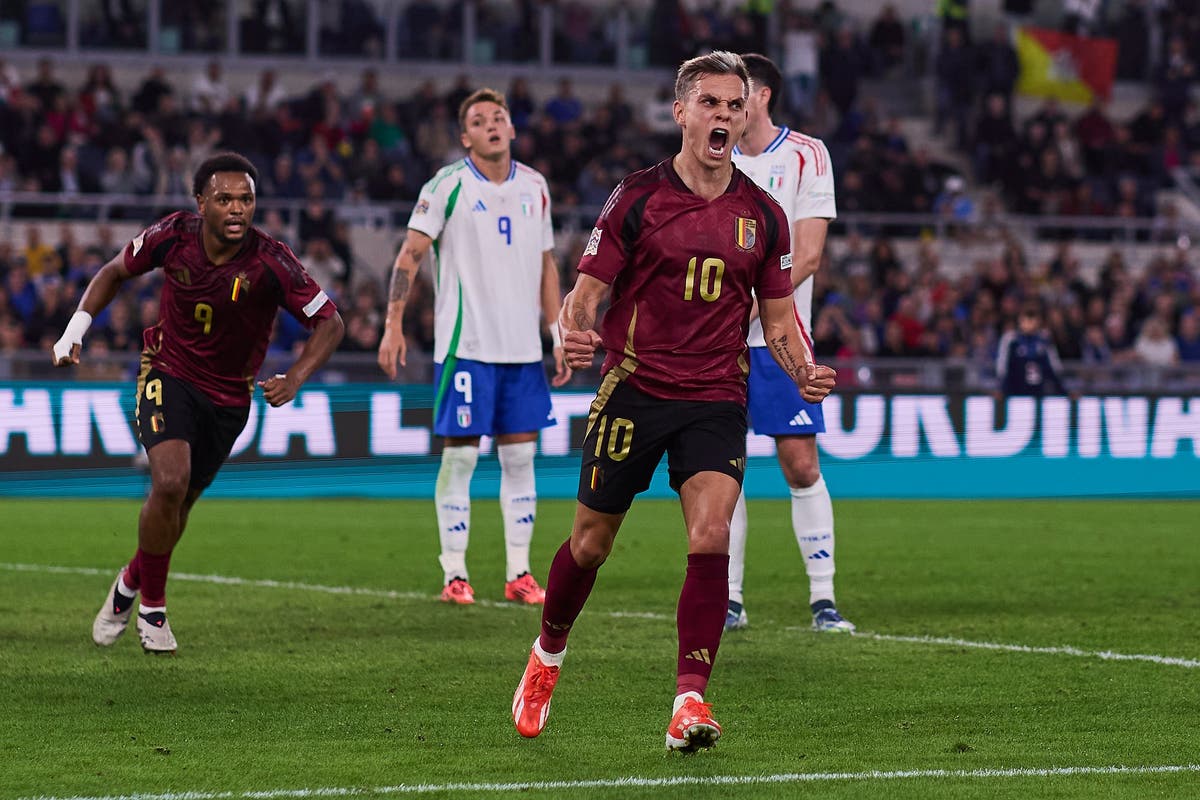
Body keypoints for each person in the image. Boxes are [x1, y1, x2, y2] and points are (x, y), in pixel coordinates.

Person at [510, 51, 836, 752]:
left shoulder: (765, 215)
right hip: (634, 389)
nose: (723, 115)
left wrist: (802, 370)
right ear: (680, 112)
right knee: (591, 546)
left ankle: (689, 700)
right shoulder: (636, 198)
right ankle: (548, 654)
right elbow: (587, 296)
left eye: (733, 104)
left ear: (748, 113)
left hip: (717, 394)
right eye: (710, 104)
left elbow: (777, 323)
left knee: (710, 534)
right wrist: (571, 336)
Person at [52, 152, 345, 654]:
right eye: (225, 198)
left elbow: (331, 322)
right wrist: (75, 330)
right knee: (168, 481)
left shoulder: (272, 261)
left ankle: (128, 583)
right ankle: (154, 609)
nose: (237, 209)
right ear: (201, 203)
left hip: (230, 398)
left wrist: (295, 378)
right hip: (167, 371)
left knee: (180, 504)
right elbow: (113, 272)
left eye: (246, 199)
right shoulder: (173, 235)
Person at [377, 88, 569, 606]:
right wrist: (393, 323)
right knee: (460, 461)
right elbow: (409, 255)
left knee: (521, 459)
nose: (491, 125)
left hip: (523, 351)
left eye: (498, 117)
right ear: (465, 137)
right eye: (480, 120)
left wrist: (557, 334)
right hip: (468, 348)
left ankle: (519, 573)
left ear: (510, 129)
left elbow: (548, 266)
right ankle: (455, 573)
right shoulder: (446, 186)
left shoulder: (536, 186)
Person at [726, 53, 853, 634]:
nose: (727, 105)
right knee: (721, 469)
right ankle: (728, 600)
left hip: (780, 336)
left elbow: (808, 255)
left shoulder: (807, 154)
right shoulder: (711, 157)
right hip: (717, 341)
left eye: (737, 94)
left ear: (763, 96)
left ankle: (823, 599)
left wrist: (747, 304)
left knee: (800, 465)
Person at [995, 301, 1068, 396]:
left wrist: (1063, 390)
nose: (1029, 323)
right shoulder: (1011, 340)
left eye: (1032, 319)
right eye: (1026, 319)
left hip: (1039, 392)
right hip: (1015, 392)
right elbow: (1002, 368)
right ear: (1020, 320)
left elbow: (1055, 368)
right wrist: (1001, 388)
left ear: (1038, 321)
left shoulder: (1045, 340)